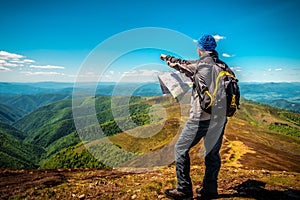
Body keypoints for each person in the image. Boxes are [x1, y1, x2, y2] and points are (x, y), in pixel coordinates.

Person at [160, 34, 228, 199]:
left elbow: (180, 64)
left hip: (200, 118)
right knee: (212, 153)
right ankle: (209, 189)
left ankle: (183, 189)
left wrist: (165, 57)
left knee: (180, 149)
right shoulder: (223, 66)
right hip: (220, 119)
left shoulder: (199, 65)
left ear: (200, 49)